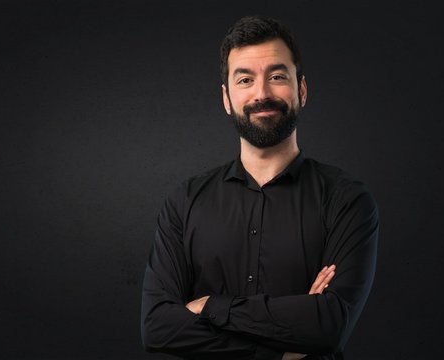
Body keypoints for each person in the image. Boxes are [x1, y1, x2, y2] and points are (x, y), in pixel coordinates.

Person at [141, 16, 378, 360]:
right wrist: (282, 347)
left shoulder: (347, 201)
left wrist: (210, 307)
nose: (262, 93)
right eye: (245, 79)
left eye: (278, 77)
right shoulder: (185, 201)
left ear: (302, 90)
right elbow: (157, 326)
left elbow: (329, 324)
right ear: (226, 98)